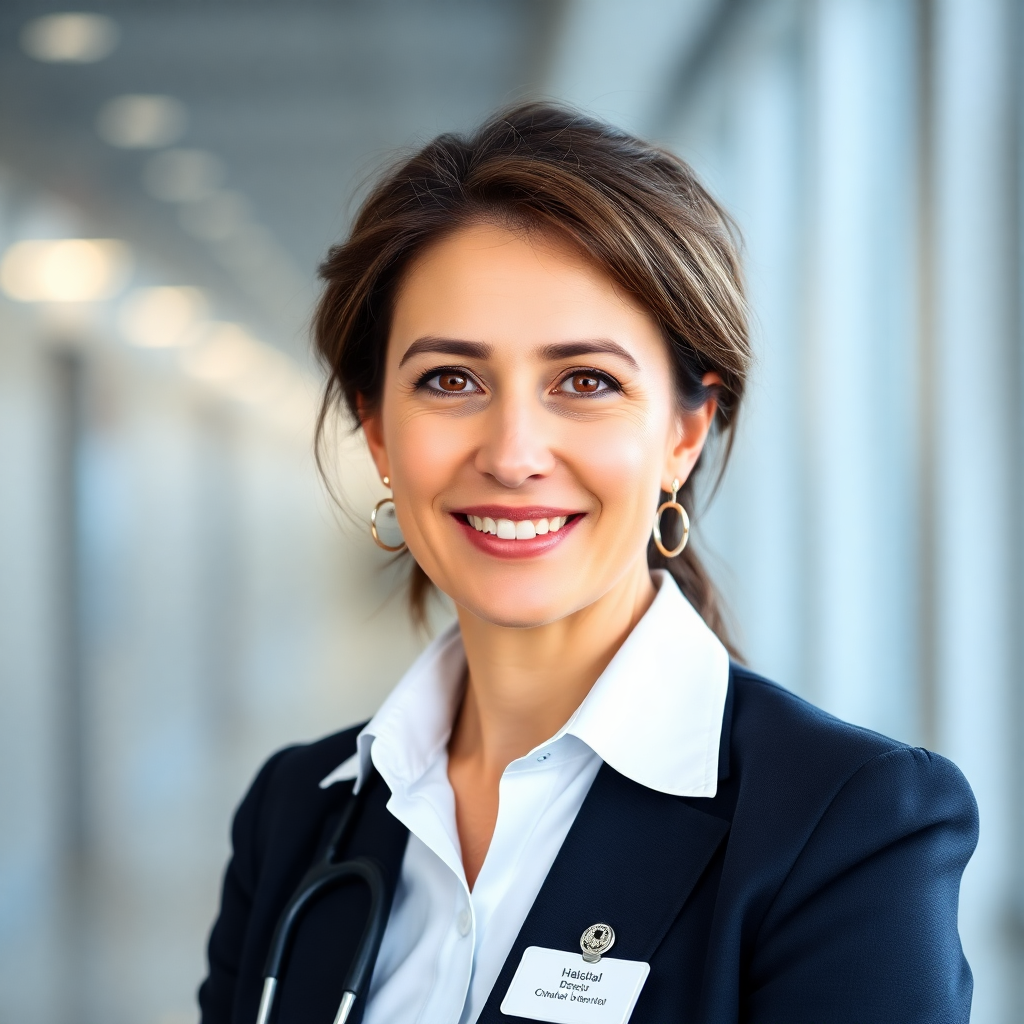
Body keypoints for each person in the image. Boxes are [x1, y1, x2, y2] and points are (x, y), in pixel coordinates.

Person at [198, 103, 977, 1024]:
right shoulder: (296, 813)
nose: (513, 454)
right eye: (451, 380)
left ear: (685, 431)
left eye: (585, 381)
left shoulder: (847, 828)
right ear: (377, 431)